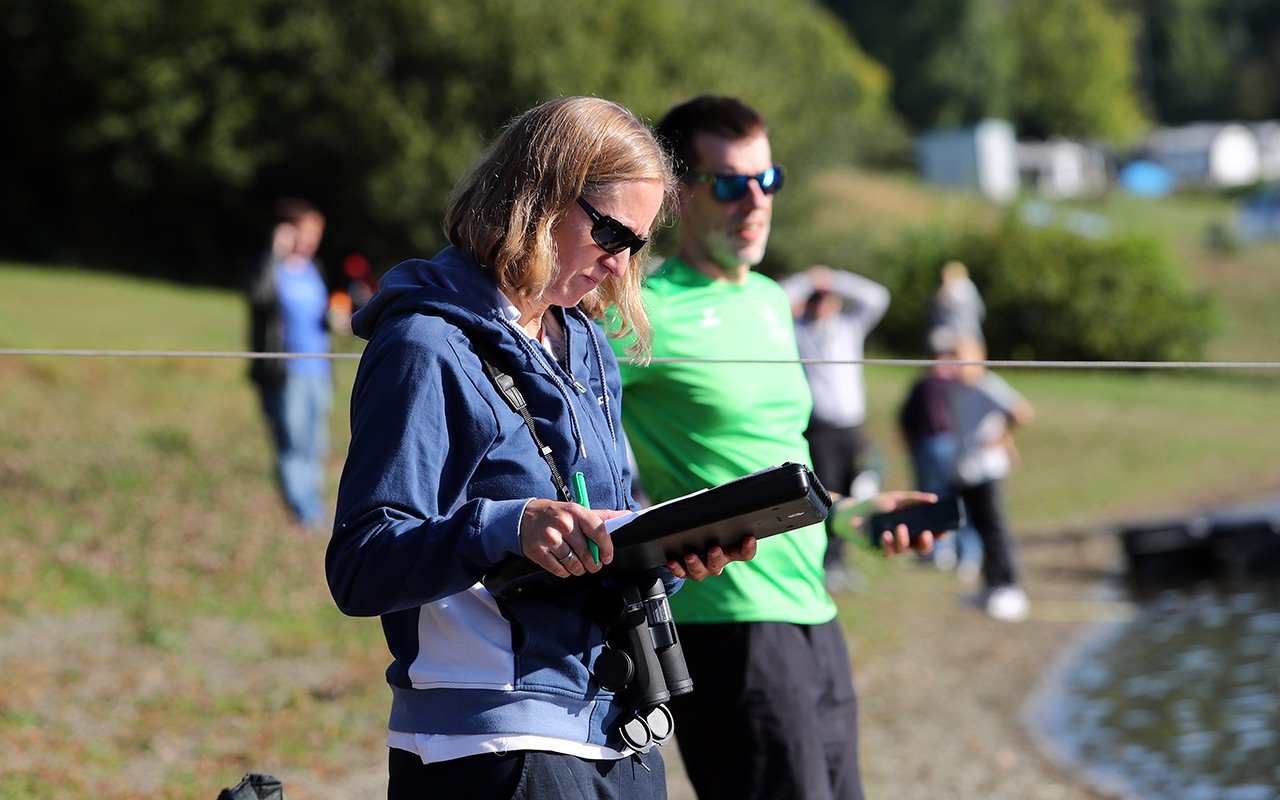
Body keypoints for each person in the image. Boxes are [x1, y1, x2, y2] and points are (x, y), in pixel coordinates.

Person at [325, 97, 755, 800]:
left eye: (637, 243)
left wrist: (669, 553)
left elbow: (605, 527)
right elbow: (361, 564)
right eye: (610, 232)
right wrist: (509, 525)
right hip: (491, 744)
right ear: (537, 198)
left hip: (619, 734)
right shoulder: (425, 344)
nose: (619, 264)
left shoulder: (585, 343)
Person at [610, 94, 935, 800]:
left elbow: (776, 461)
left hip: (814, 612)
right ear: (678, 196)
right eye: (730, 184)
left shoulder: (767, 301)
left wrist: (856, 514)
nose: (755, 201)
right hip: (728, 625)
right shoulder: (638, 309)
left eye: (768, 179)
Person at [779, 264, 890, 591]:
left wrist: (833, 279)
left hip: (852, 427)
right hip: (820, 429)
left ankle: (839, 561)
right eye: (817, 297)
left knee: (853, 493)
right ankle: (824, 563)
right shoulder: (795, 330)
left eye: (827, 297)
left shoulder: (848, 325)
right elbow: (777, 298)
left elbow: (877, 296)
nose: (822, 302)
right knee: (823, 495)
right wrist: (808, 280)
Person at [246, 198, 333, 529]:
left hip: (318, 371)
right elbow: (258, 297)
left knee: (316, 444)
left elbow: (319, 315)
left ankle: (313, 506)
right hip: (285, 373)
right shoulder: (269, 268)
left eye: (316, 233)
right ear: (286, 231)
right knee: (293, 443)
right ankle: (302, 512)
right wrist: (273, 253)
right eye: (306, 231)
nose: (312, 239)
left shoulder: (314, 269)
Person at [947, 334, 1034, 621]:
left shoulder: (988, 385)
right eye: (956, 357)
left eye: (964, 358)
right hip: (966, 469)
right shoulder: (956, 389)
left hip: (987, 470)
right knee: (979, 529)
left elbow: (1021, 411)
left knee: (995, 530)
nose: (959, 364)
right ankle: (992, 584)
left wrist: (1002, 435)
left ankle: (1009, 587)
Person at [897, 328, 983, 578]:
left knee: (934, 500)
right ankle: (966, 554)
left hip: (928, 447)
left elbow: (905, 421)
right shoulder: (958, 384)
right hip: (952, 446)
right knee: (960, 501)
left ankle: (940, 551)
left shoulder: (923, 383)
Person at [929, 259, 985, 345]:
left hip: (944, 337)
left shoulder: (939, 293)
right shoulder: (967, 286)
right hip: (970, 336)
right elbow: (981, 313)